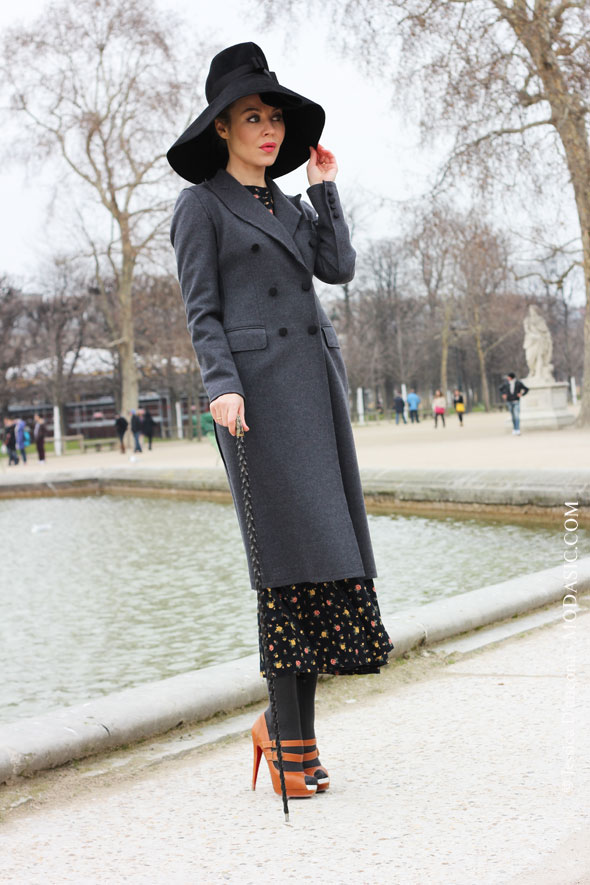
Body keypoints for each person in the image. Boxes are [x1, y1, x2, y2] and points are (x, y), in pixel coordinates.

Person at [168, 42, 393, 801]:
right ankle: (291, 747)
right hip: (254, 406)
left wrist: (325, 189)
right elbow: (203, 311)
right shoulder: (202, 205)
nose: (268, 129)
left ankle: (286, 732)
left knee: (323, 566)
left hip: (316, 395)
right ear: (223, 129)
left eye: (275, 117)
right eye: (252, 117)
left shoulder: (290, 205)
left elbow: (338, 268)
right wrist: (220, 385)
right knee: (283, 574)